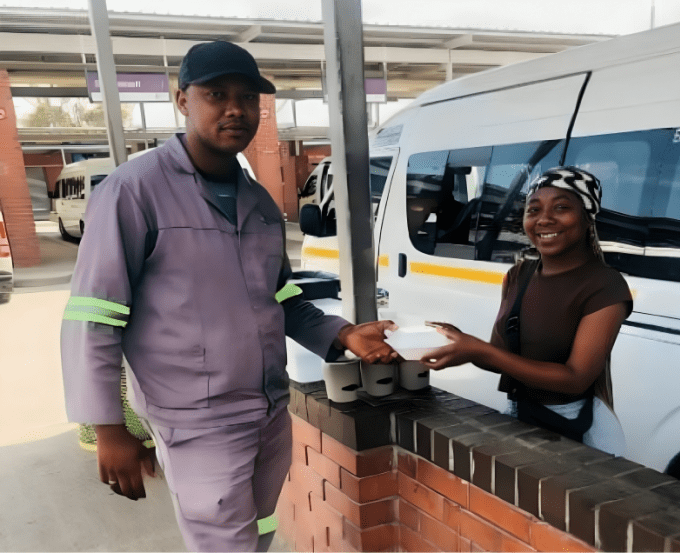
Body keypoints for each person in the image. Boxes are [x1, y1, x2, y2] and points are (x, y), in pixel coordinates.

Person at [60, 40, 397, 552]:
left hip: (267, 411)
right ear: (182, 101)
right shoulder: (135, 192)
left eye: (248, 98)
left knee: (257, 533)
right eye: (217, 94)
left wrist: (343, 333)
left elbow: (280, 297)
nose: (235, 109)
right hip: (196, 422)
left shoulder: (257, 202)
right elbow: (94, 317)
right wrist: (108, 428)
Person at [420, 166, 633, 455]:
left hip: (569, 426)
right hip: (519, 414)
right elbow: (499, 358)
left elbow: (575, 379)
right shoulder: (519, 275)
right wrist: (463, 346)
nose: (544, 219)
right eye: (533, 209)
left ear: (587, 219)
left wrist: (481, 351)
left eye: (561, 208)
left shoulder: (605, 285)